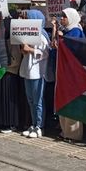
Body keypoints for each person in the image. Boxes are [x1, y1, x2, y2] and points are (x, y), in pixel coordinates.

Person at [56, 8, 86, 141]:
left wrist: (62, 40)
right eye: (61, 16)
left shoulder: (76, 32)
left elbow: (75, 50)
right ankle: (65, 131)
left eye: (64, 16)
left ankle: (74, 134)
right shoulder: (67, 31)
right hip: (64, 72)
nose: (62, 18)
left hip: (73, 74)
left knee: (73, 102)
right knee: (64, 101)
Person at [20, 9, 50, 139]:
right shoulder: (29, 34)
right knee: (30, 100)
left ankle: (39, 126)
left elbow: (45, 54)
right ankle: (33, 123)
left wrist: (30, 50)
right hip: (28, 70)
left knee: (38, 100)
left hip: (38, 72)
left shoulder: (42, 35)